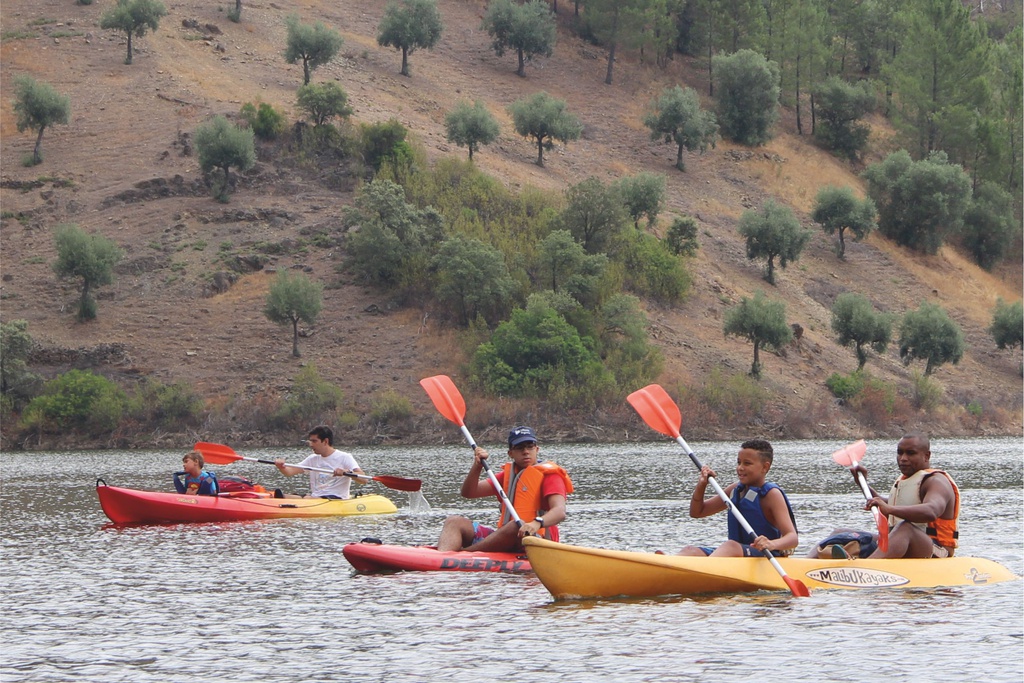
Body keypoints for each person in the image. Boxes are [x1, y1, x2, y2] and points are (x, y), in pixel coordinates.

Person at [436, 426, 574, 553]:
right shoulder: (508, 476)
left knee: (515, 525)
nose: (525, 452)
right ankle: (443, 557)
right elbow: (469, 492)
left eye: (530, 447)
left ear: (536, 450)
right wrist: (477, 466)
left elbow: (559, 512)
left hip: (537, 540)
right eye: (520, 447)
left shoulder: (551, 476)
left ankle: (464, 554)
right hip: (507, 537)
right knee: (453, 521)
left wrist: (536, 523)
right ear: (511, 453)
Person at [676, 439, 799, 557]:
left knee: (730, 546)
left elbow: (792, 537)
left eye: (747, 463)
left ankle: (702, 570)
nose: (740, 467)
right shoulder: (735, 490)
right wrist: (701, 485)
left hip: (765, 554)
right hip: (736, 553)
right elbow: (697, 512)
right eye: (739, 462)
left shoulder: (771, 494)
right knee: (690, 550)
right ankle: (670, 564)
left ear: (765, 467)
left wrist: (771, 544)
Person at [851, 432, 960, 559]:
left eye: (910, 453)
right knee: (847, 534)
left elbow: (931, 511)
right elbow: (887, 505)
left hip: (938, 550)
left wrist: (889, 509)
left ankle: (867, 568)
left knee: (905, 529)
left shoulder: (936, 482)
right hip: (903, 541)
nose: (903, 458)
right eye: (900, 452)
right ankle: (827, 561)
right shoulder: (906, 480)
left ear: (926, 456)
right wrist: (862, 484)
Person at [273, 425, 366, 499]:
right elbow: (289, 472)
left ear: (325, 441)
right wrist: (281, 466)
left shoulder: (345, 457)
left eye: (314, 441)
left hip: (336, 498)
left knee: (307, 499)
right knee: (283, 496)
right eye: (310, 441)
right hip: (316, 497)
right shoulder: (312, 459)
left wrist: (347, 473)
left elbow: (363, 479)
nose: (311, 445)